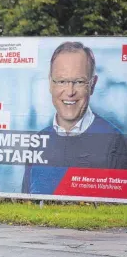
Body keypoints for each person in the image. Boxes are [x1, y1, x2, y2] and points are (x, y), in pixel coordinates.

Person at [22, 41, 127, 193]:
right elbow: (25, 204)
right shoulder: (38, 141)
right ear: (50, 84)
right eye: (62, 81)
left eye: (79, 82)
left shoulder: (114, 140)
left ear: (92, 84)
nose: (70, 91)